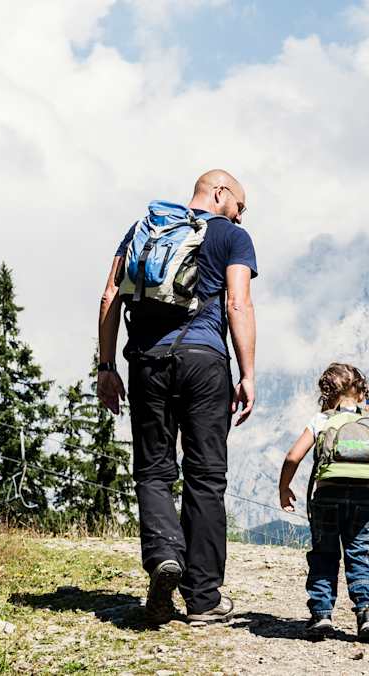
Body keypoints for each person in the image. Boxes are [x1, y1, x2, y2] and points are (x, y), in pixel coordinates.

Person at [97, 169, 258, 625]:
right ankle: (203, 598)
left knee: (153, 470)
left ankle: (164, 556)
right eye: (241, 206)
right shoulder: (231, 238)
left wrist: (107, 367)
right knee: (206, 476)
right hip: (205, 362)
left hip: (147, 361)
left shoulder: (143, 230)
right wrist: (247, 373)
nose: (242, 216)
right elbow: (238, 304)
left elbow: (110, 296)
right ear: (220, 193)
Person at [278, 363, 369, 641]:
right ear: (361, 391)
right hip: (364, 497)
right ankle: (366, 613)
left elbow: (294, 456)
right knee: (361, 553)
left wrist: (284, 487)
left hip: (327, 496)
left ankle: (321, 614)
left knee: (324, 555)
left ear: (327, 392)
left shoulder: (320, 420)